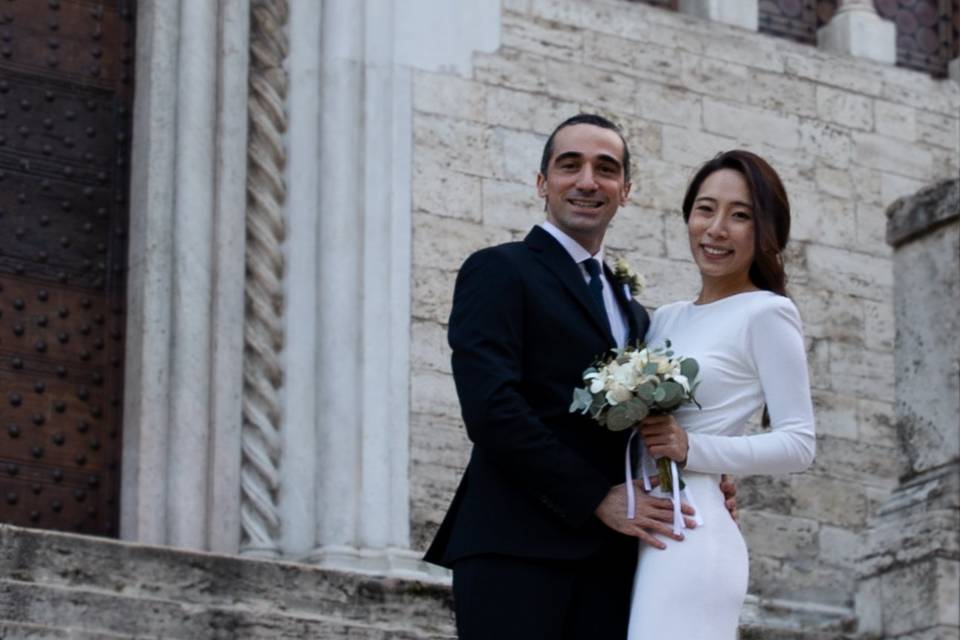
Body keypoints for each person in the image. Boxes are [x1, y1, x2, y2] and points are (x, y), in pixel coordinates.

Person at [423, 114, 733, 639]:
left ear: (625, 191)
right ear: (543, 183)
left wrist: (703, 474)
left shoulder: (635, 311)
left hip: (613, 561)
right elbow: (491, 408)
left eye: (606, 169)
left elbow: (647, 425)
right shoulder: (499, 270)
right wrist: (595, 497)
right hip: (517, 546)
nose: (588, 181)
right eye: (571, 165)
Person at [627, 150, 816, 639]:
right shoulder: (664, 318)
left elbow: (799, 443)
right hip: (638, 523)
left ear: (766, 231)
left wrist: (696, 450)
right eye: (706, 209)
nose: (716, 229)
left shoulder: (766, 314)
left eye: (740, 215)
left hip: (690, 530)